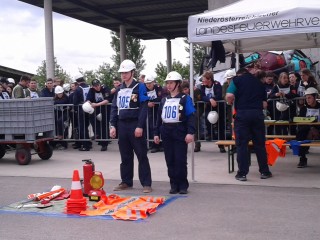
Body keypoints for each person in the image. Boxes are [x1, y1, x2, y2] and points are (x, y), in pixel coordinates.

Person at [109, 59, 152, 193]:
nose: (124, 75)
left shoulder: (140, 87)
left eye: (126, 72)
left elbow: (144, 107)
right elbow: (114, 108)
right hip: (122, 125)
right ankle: (126, 181)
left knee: (141, 154)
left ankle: (146, 183)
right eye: (122, 73)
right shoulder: (119, 89)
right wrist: (112, 125)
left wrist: (140, 126)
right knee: (125, 155)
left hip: (134, 123)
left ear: (132, 72)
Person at [226, 68, 272, 181]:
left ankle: (242, 173)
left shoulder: (236, 80)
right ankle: (264, 171)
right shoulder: (259, 82)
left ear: (239, 74)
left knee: (242, 145)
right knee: (259, 144)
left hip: (242, 115)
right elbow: (264, 104)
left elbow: (229, 95)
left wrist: (230, 102)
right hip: (257, 115)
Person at [154, 71, 195, 194]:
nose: (169, 85)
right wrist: (156, 133)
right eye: (167, 83)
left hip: (179, 131)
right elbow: (158, 118)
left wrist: (190, 132)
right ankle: (173, 184)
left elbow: (191, 116)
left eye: (171, 82)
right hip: (166, 131)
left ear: (178, 84)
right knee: (169, 159)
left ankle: (183, 185)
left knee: (180, 159)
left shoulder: (185, 98)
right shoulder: (164, 100)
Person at [199, 70, 226, 153]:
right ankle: (211, 135)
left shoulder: (217, 85)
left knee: (220, 125)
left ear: (209, 79)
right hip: (209, 106)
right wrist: (210, 99)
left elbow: (219, 95)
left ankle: (221, 146)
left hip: (219, 107)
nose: (202, 81)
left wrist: (214, 99)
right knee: (207, 119)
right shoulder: (202, 86)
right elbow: (202, 97)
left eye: (204, 79)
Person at [295, 87, 320, 168]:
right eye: (306, 98)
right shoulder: (304, 109)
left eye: (309, 97)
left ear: (315, 97)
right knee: (301, 134)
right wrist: (311, 128)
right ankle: (302, 158)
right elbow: (301, 121)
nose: (307, 100)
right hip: (307, 130)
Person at [86, 79, 112, 151]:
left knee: (104, 125)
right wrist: (89, 103)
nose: (97, 87)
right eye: (95, 86)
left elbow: (107, 100)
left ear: (100, 84)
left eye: (97, 85)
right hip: (95, 109)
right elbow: (88, 99)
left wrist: (97, 104)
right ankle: (98, 135)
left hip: (105, 108)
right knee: (93, 121)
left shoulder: (105, 88)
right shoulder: (91, 90)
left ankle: (104, 144)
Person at [181, 80, 203, 152]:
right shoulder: (182, 95)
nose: (184, 91)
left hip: (195, 111)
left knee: (195, 128)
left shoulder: (195, 91)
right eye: (183, 90)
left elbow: (199, 100)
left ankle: (197, 144)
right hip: (186, 113)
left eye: (186, 89)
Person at [144, 74, 163, 153]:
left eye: (150, 83)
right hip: (149, 111)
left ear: (153, 82)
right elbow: (142, 99)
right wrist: (147, 103)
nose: (148, 85)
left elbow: (161, 97)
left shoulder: (158, 88)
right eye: (147, 83)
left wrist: (153, 101)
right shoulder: (143, 89)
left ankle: (161, 144)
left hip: (158, 109)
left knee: (159, 125)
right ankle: (153, 144)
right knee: (150, 126)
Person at [73, 74, 91, 151]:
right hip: (89, 109)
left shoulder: (78, 89)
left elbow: (75, 102)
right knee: (86, 126)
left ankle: (85, 145)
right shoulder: (89, 87)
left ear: (77, 81)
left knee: (82, 128)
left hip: (81, 110)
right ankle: (88, 143)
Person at [53, 85, 69, 150]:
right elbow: (54, 102)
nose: (59, 95)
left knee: (61, 123)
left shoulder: (66, 97)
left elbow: (62, 102)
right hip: (58, 113)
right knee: (56, 124)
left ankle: (63, 143)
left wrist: (55, 102)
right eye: (58, 94)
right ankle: (55, 143)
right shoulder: (55, 98)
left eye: (61, 93)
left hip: (65, 113)